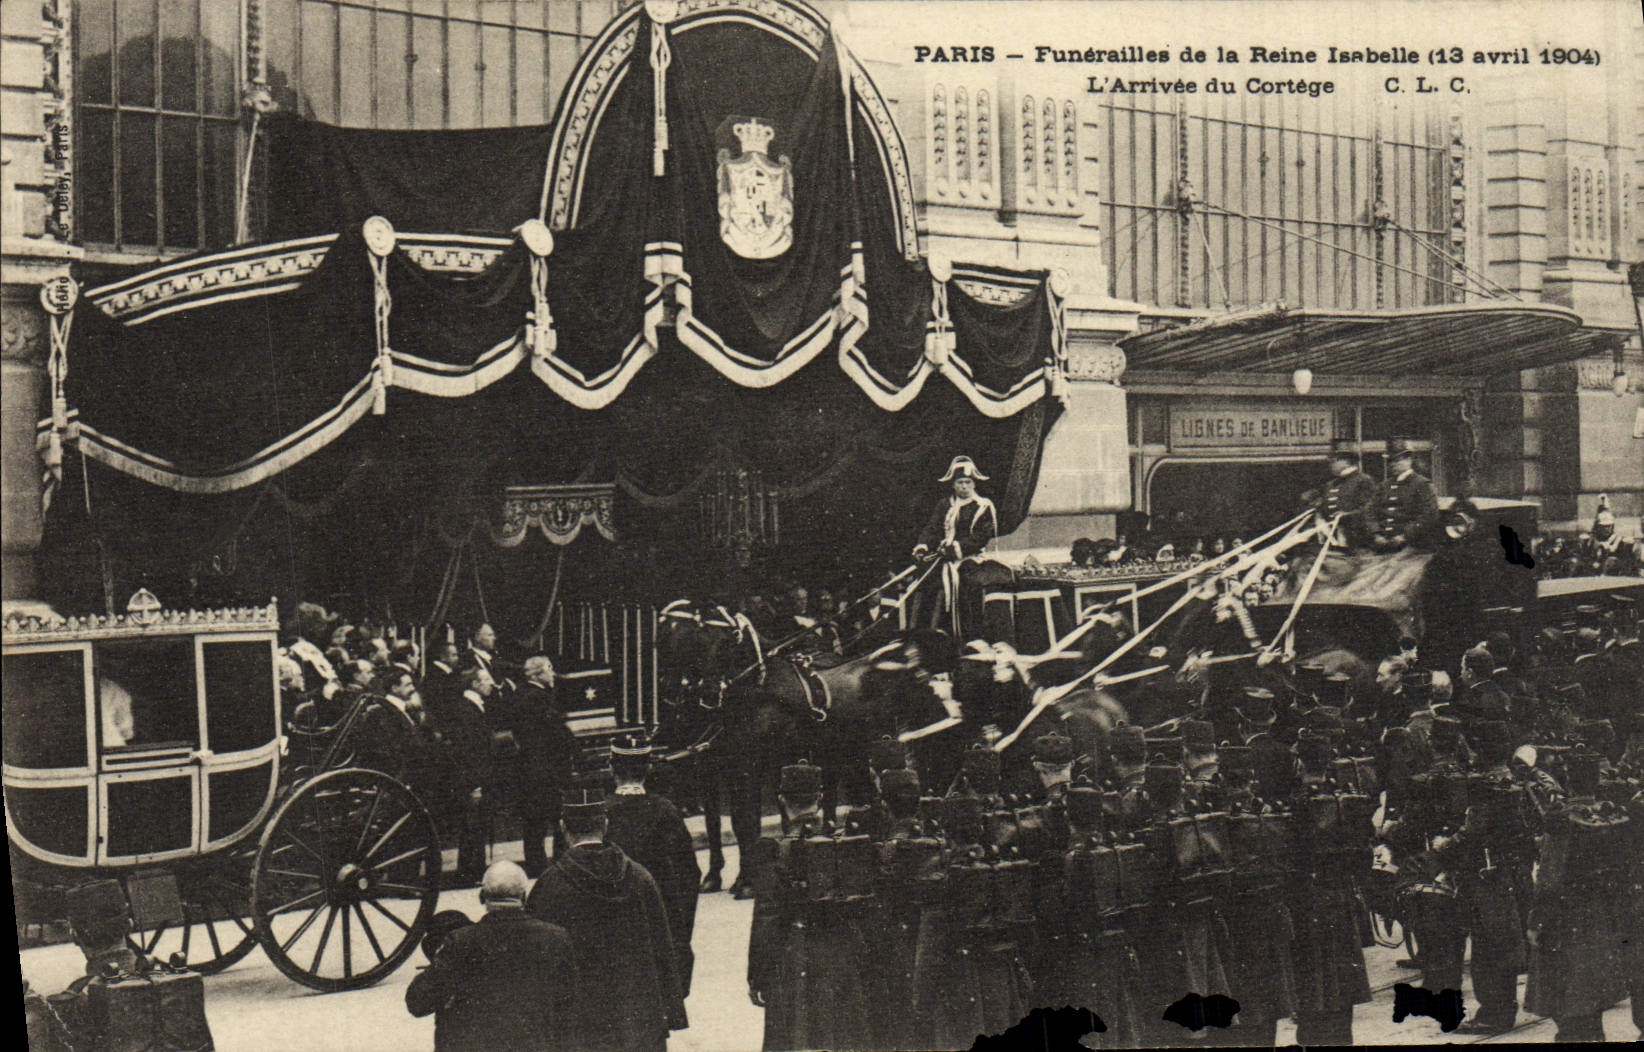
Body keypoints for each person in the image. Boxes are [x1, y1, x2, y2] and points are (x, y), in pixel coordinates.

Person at [527, 789, 687, 1052]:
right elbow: (664, 950)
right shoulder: (640, 877)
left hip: (580, 1029)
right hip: (638, 1023)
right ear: (605, 825)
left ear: (563, 828)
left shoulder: (550, 886)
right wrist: (671, 1011)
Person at [406, 861, 580, 1052]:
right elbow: (568, 1006)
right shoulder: (556, 938)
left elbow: (418, 1002)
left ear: (482, 897)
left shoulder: (460, 942)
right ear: (523, 897)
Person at [604, 734, 701, 996]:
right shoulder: (665, 811)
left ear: (611, 767)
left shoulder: (602, 813)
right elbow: (689, 877)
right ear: (648, 769)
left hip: (611, 940)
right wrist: (679, 936)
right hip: (659, 934)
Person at [490, 655, 580, 876]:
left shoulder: (520, 695)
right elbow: (557, 732)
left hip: (529, 768)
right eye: (549, 669)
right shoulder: (539, 697)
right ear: (539, 674)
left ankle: (537, 867)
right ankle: (560, 865)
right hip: (545, 768)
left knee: (534, 823)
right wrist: (576, 751)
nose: (553, 674)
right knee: (556, 817)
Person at [909, 455, 999, 635]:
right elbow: (932, 528)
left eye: (967, 482)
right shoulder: (945, 504)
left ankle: (967, 634)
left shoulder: (983, 506)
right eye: (960, 482)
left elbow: (981, 537)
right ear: (953, 485)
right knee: (925, 579)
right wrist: (922, 547)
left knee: (965, 583)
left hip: (971, 556)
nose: (964, 486)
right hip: (944, 556)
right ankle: (925, 633)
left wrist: (957, 548)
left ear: (974, 484)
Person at [428, 666, 499, 887]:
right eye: (487, 680)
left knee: (476, 826)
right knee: (473, 826)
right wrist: (474, 785)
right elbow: (467, 751)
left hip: (478, 778)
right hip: (472, 780)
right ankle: (470, 872)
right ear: (474, 685)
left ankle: (474, 870)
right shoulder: (466, 710)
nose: (492, 684)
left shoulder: (472, 708)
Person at [1303, 439, 1378, 551]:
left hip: (1355, 540)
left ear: (1347, 461)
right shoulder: (1330, 484)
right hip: (1332, 539)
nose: (1331, 464)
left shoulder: (1363, 480)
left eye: (1335, 460)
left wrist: (1347, 515)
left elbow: (1368, 510)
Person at [1370, 438, 1441, 553]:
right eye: (1390, 461)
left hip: (1413, 547)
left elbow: (1429, 515)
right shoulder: (1384, 486)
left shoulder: (1422, 484)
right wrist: (1376, 534)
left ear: (1409, 460)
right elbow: (1370, 511)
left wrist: (1405, 536)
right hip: (1384, 546)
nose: (1393, 464)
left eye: (1398, 460)